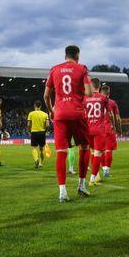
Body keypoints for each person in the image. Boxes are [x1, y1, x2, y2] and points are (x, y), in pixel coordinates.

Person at [44, 45, 93, 202]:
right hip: (77, 114)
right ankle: (81, 184)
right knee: (84, 147)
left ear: (65, 55)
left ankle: (62, 191)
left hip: (60, 115)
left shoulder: (54, 69)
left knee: (61, 151)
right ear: (77, 55)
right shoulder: (81, 68)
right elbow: (90, 93)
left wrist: (52, 111)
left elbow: (46, 95)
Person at [84, 79, 114, 186]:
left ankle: (96, 176)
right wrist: (113, 125)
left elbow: (82, 112)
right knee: (98, 153)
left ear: (91, 86)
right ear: (99, 86)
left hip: (88, 129)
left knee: (92, 152)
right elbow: (109, 113)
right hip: (99, 129)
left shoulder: (85, 98)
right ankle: (92, 179)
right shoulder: (104, 98)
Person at [101, 85, 121, 177]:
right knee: (108, 149)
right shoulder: (112, 103)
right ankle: (107, 170)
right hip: (109, 128)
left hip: (98, 128)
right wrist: (119, 129)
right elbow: (117, 118)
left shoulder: (95, 101)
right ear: (109, 93)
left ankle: (101, 170)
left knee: (98, 150)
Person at [27, 100, 50, 168]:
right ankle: (40, 163)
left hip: (34, 132)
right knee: (41, 149)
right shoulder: (45, 114)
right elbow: (48, 125)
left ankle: (36, 159)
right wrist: (46, 131)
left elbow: (28, 124)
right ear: (41, 106)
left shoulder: (31, 114)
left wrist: (29, 131)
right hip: (42, 132)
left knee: (34, 148)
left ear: (34, 106)